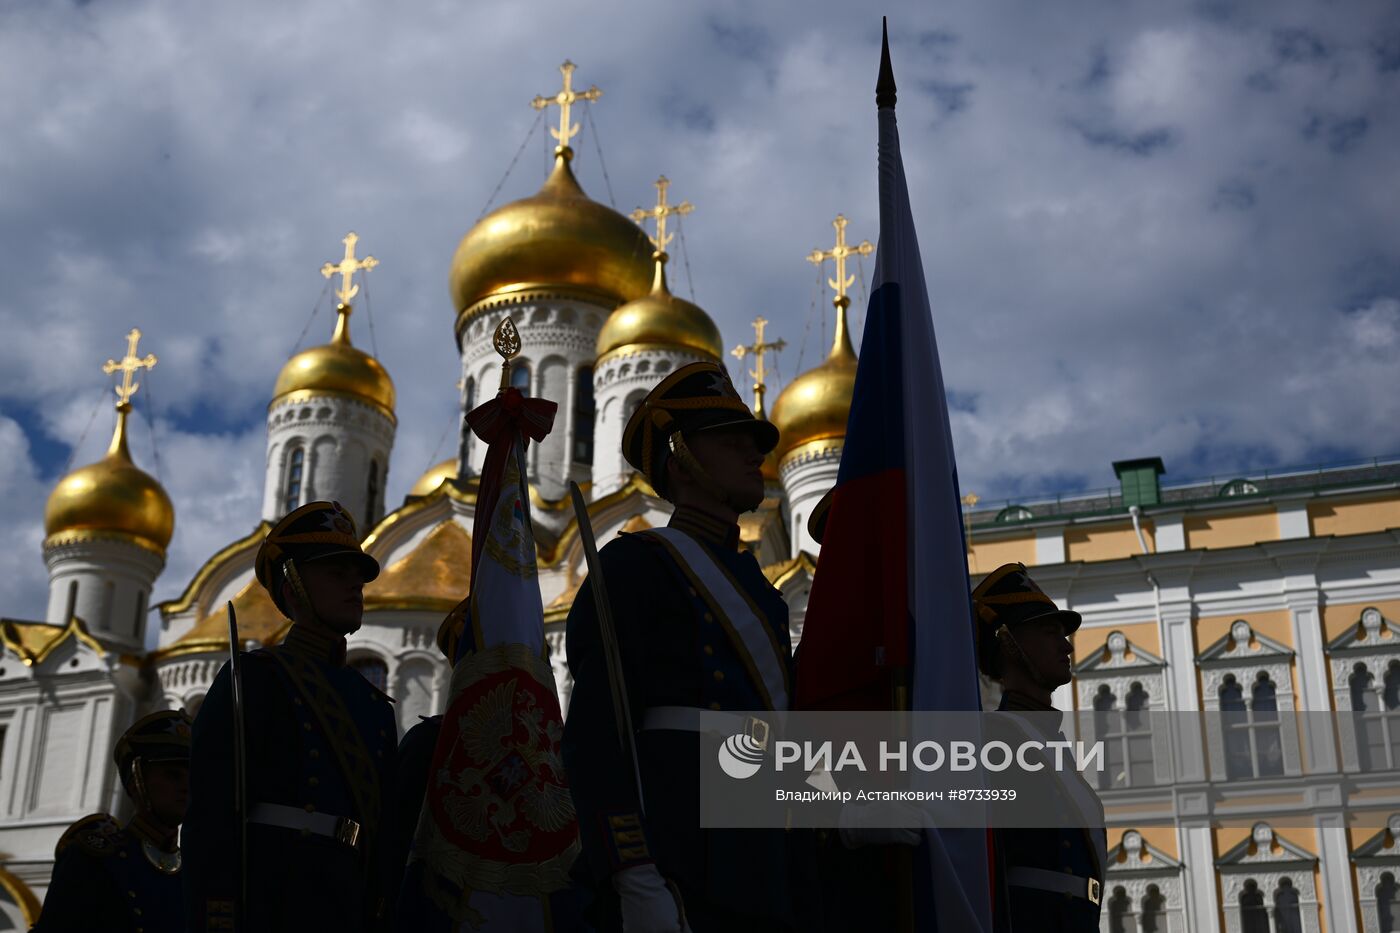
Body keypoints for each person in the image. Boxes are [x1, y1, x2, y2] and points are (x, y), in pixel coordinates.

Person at [562, 361, 808, 932]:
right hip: (682, 858)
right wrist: (630, 869)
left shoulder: (762, 594)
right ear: (681, 455)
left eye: (753, 440)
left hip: (766, 864)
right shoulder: (636, 565)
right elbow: (598, 731)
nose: (754, 452)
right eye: (730, 439)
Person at [183, 500, 398, 932]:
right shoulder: (258, 678)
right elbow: (212, 814)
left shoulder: (373, 705)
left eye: (358, 577)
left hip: (346, 902)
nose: (355, 586)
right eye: (337, 574)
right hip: (274, 897)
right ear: (293, 582)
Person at [973, 562, 1106, 933]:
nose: (1066, 645)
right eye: (1050, 632)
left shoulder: (1048, 741)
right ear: (1009, 644)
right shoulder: (993, 738)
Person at [33, 709, 192, 932]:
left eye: (193, 777)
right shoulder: (95, 860)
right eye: (172, 775)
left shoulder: (196, 870)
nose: (187, 787)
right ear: (138, 781)